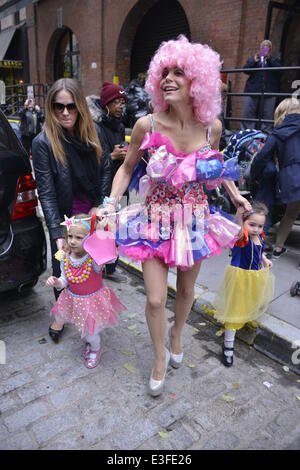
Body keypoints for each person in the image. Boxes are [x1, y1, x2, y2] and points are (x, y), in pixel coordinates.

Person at [97, 35, 251, 396]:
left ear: (198, 81)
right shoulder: (146, 125)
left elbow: (216, 170)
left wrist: (237, 197)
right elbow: (126, 168)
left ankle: (178, 332)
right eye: (164, 72)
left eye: (178, 72)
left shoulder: (211, 128)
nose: (168, 79)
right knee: (154, 298)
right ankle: (158, 356)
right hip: (154, 223)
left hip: (195, 223)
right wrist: (110, 203)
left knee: (186, 290)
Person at [32, 78, 111, 343]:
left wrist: (99, 204)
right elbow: (46, 191)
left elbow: (105, 170)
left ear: (80, 107)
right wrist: (56, 230)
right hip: (65, 215)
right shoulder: (43, 142)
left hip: (91, 212)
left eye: (71, 106)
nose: (65, 112)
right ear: (50, 107)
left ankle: (90, 315)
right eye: (58, 106)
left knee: (91, 267)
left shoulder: (95, 133)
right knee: (63, 266)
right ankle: (61, 314)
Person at [46, 214, 125, 368]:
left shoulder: (94, 258)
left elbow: (108, 253)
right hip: (73, 300)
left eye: (79, 237)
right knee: (83, 329)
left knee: (91, 333)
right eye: (70, 236)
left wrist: (102, 232)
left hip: (92, 303)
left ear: (89, 239)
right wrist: (56, 282)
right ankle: (90, 344)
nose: (73, 241)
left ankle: (96, 349)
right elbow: (64, 280)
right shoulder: (65, 258)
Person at [213, 202, 274, 366]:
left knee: (249, 302)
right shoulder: (242, 237)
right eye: (252, 224)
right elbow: (239, 228)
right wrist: (240, 214)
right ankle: (228, 346)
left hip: (254, 277)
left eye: (260, 225)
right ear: (244, 222)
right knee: (234, 311)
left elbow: (260, 252)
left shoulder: (259, 236)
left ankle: (244, 319)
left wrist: (265, 259)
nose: (256, 228)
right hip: (239, 278)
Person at [250, 98, 300, 263]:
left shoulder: (279, 133)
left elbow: (262, 157)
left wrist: (254, 177)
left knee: (290, 214)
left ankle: (278, 248)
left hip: (291, 179)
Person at [87, 82, 128, 282]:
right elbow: (90, 161)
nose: (120, 106)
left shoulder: (119, 125)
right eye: (116, 102)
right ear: (105, 104)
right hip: (100, 188)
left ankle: (110, 267)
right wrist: (111, 156)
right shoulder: (95, 127)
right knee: (101, 228)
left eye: (122, 102)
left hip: (117, 186)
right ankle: (96, 266)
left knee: (115, 228)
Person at [241, 40, 281, 134]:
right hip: (252, 90)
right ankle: (247, 134)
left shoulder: (274, 59)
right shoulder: (254, 59)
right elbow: (245, 70)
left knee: (267, 116)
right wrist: (254, 61)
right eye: (263, 47)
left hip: (269, 91)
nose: (265, 49)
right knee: (248, 114)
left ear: (270, 49)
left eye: (267, 47)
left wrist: (269, 59)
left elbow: (279, 71)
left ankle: (265, 136)